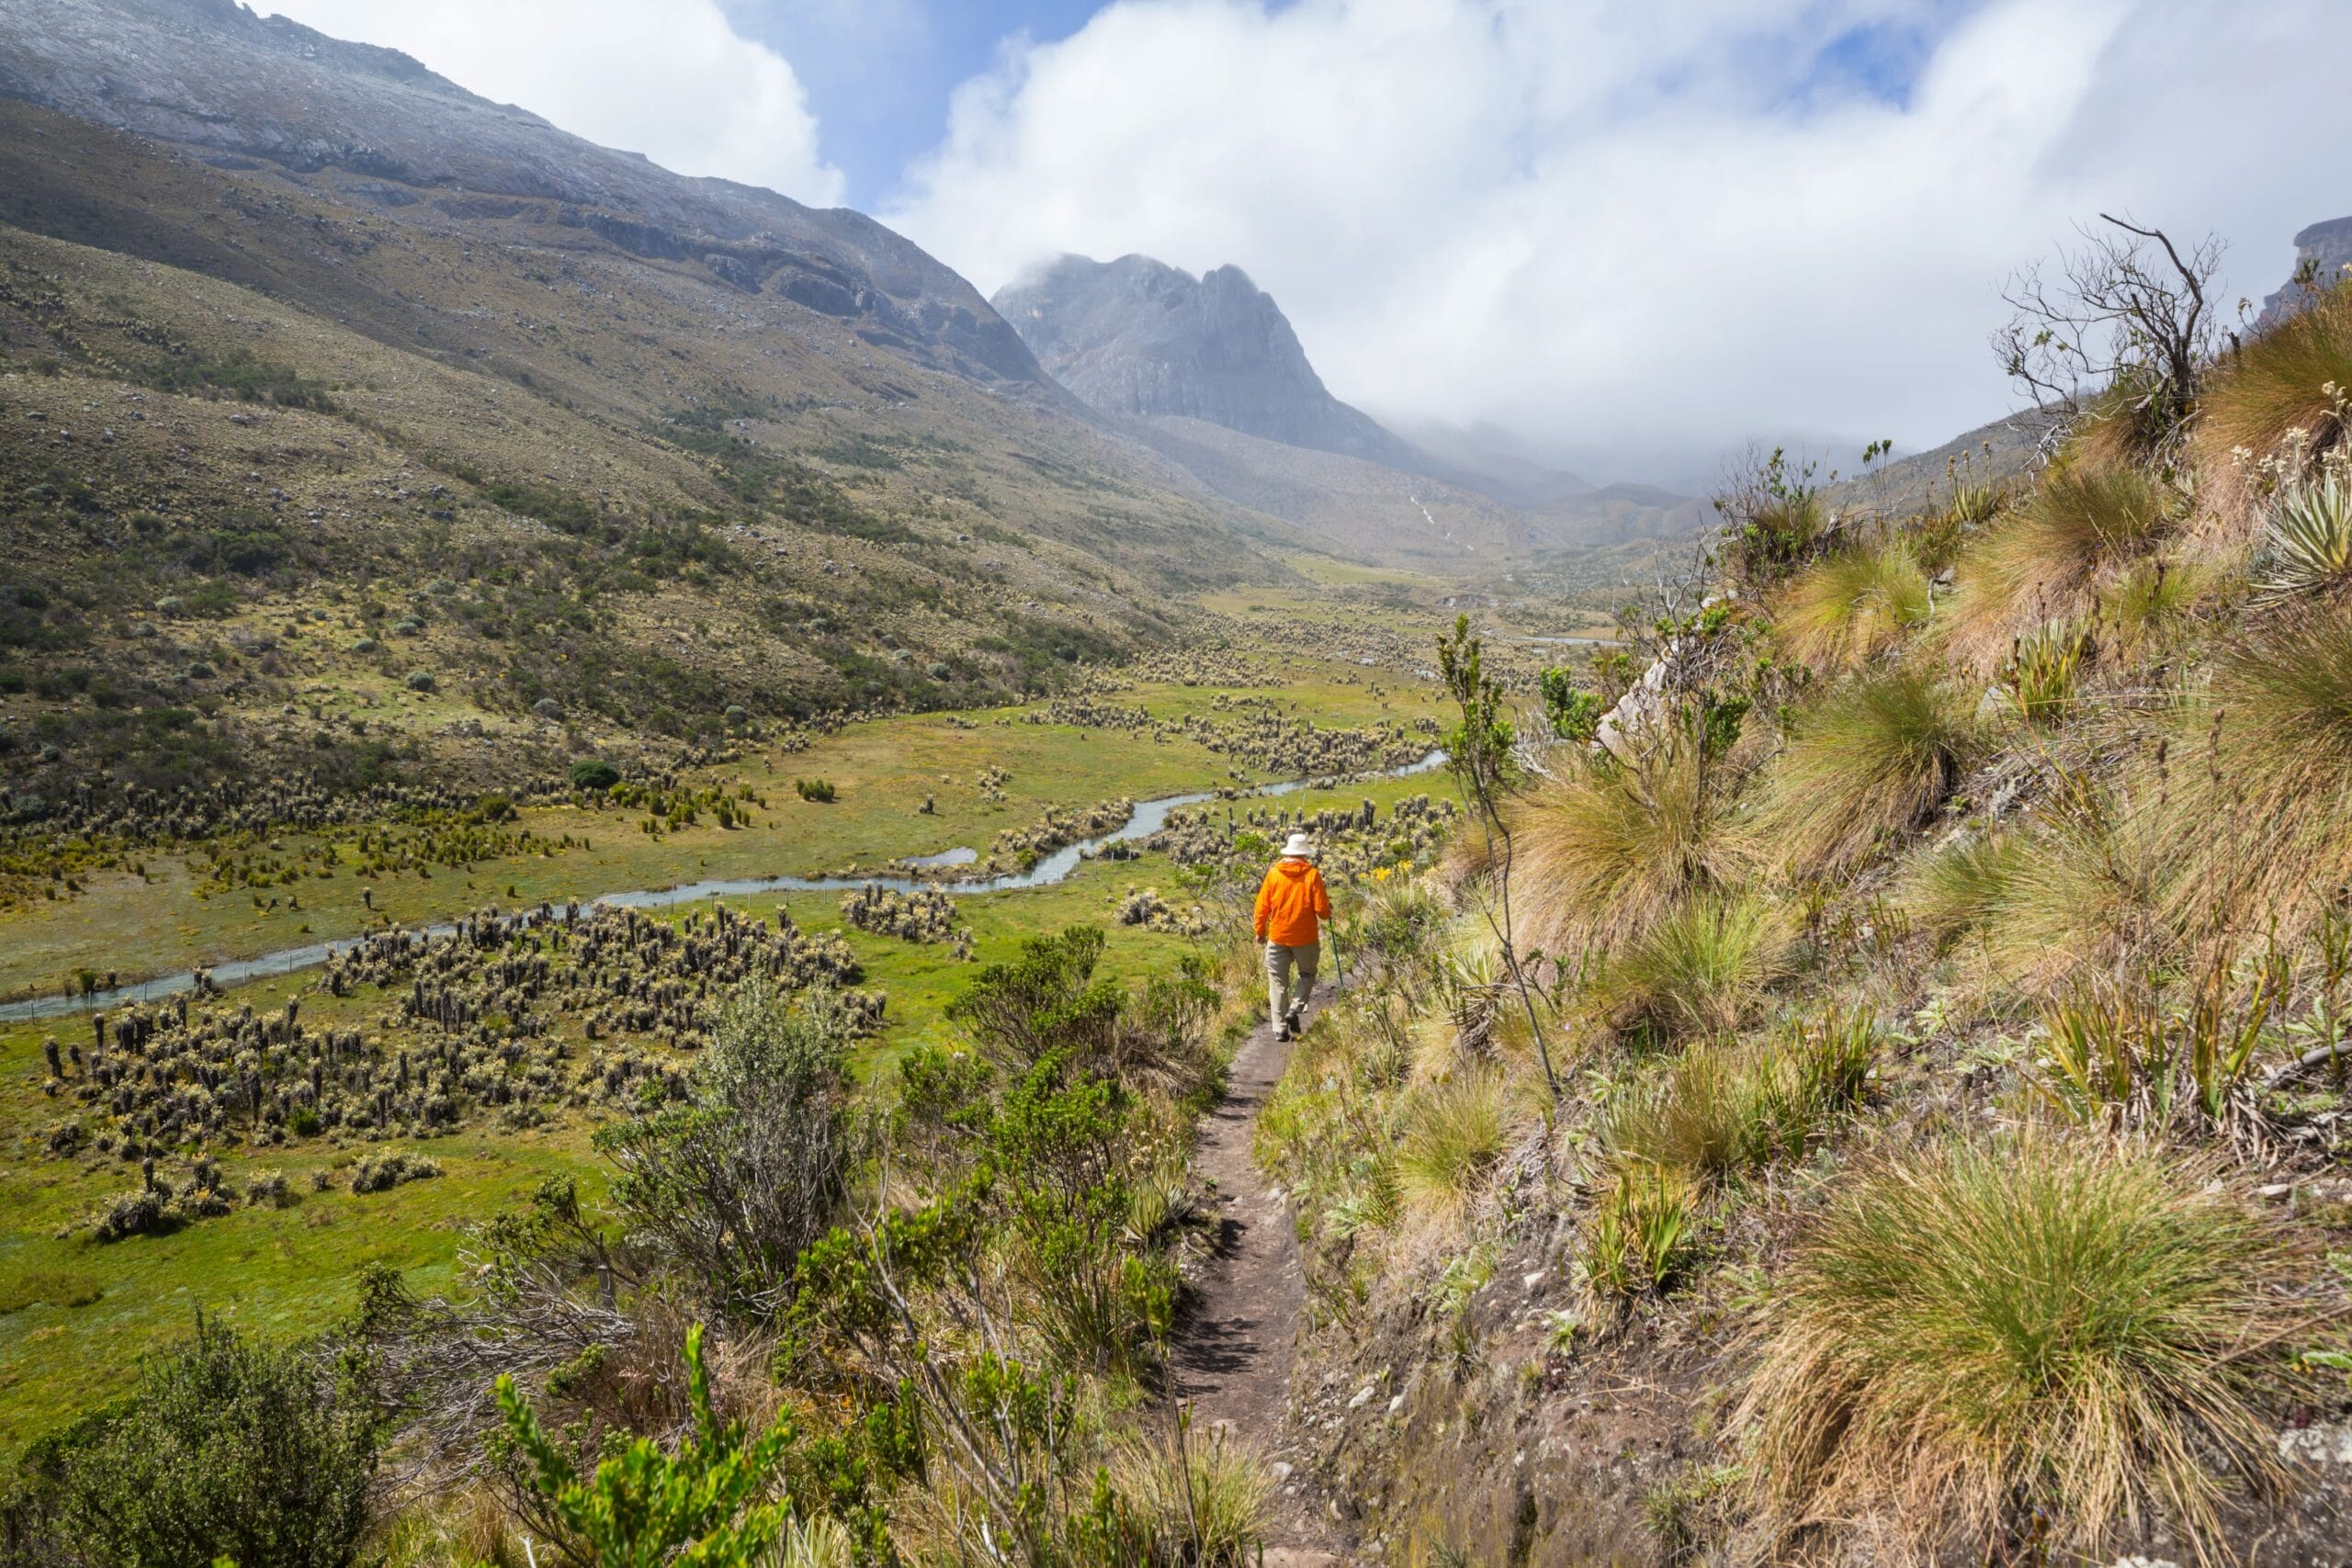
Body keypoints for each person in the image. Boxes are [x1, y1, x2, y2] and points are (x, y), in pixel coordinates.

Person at [1254, 831, 1332, 1041]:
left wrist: (1260, 931)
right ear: (1304, 854)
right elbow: (1322, 912)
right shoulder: (1312, 875)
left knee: (1278, 982)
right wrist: (1328, 909)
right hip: (1305, 938)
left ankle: (1280, 1029)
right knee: (1307, 974)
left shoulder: (1274, 873)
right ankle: (1295, 1009)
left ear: (1288, 852)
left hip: (1278, 936)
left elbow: (1262, 906)